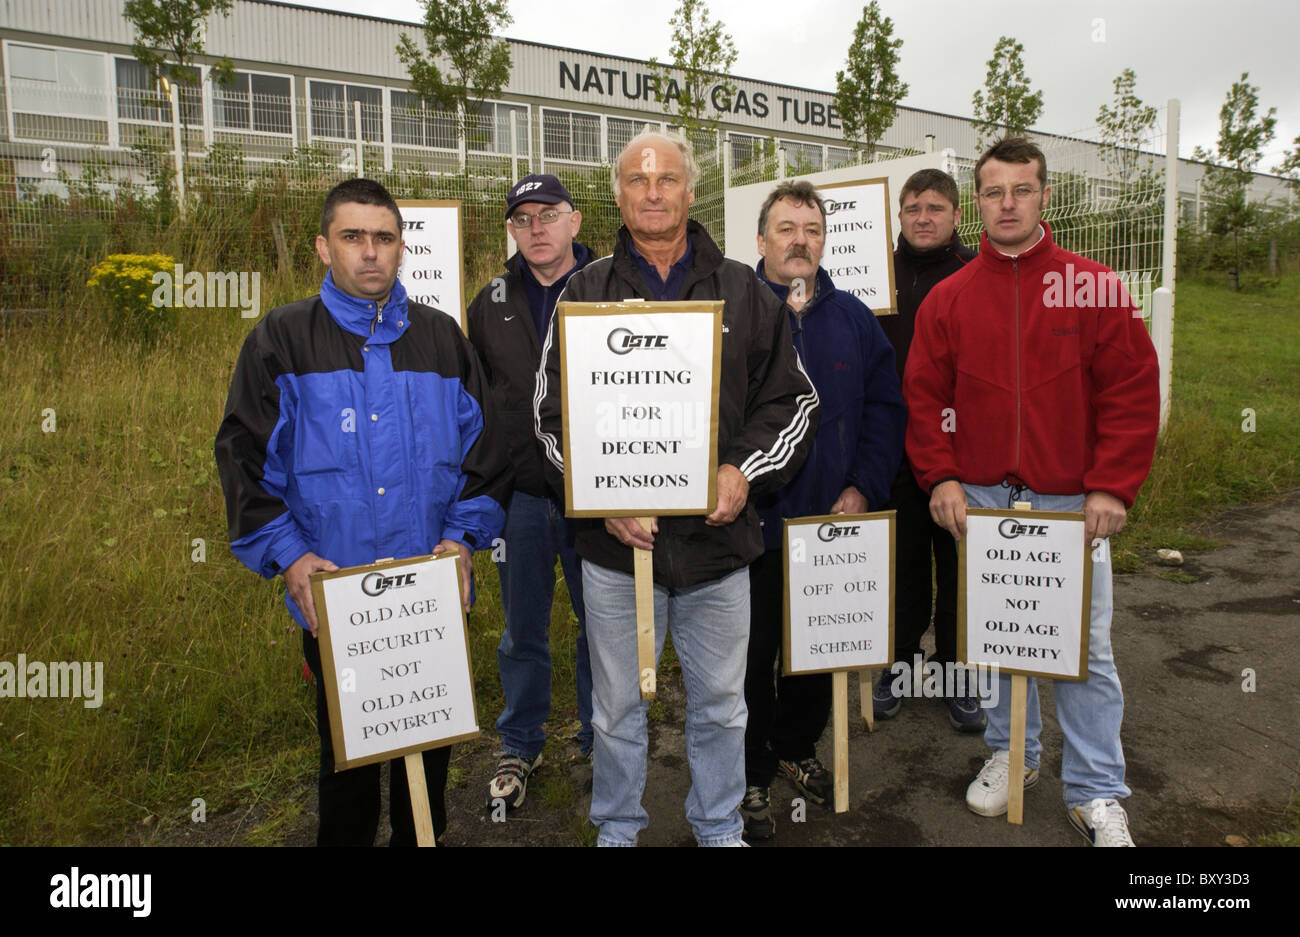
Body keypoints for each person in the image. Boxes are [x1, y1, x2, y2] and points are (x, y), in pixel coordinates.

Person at [534, 131, 819, 847]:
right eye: (637, 178)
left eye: (667, 178)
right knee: (616, 708)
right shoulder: (586, 290)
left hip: (719, 551)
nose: (652, 190)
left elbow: (791, 403)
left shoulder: (747, 292)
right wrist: (605, 495)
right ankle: (618, 827)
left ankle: (719, 826)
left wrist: (740, 470)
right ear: (619, 194)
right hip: (613, 552)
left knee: (722, 705)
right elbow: (548, 414)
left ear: (692, 192)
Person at [215, 177, 509, 846]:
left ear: (402, 247)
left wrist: (463, 539)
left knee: (427, 774)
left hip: (428, 600)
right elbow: (243, 458)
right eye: (353, 237)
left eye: (383, 237)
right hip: (335, 601)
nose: (370, 252)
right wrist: (288, 553)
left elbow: (487, 454)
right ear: (324, 246)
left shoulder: (442, 340)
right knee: (346, 775)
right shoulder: (280, 340)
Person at [904, 136, 1159, 846]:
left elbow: (1132, 393)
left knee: (1085, 648)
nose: (1008, 203)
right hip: (983, 500)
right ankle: (1013, 754)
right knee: (998, 638)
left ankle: (1097, 789)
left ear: (1046, 195)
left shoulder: (1094, 286)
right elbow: (924, 398)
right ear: (977, 202)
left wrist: (1112, 485)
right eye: (994, 191)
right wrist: (943, 474)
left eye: (1022, 189)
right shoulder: (950, 298)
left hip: (1073, 503)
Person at [741, 180, 905, 840]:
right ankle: (748, 773)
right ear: (761, 240)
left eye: (810, 228)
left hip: (831, 526)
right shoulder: (733, 312)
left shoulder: (856, 320)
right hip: (752, 527)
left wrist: (863, 486)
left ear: (824, 239)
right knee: (751, 658)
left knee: (816, 653)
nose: (799, 239)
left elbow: (885, 411)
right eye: (786, 228)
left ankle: (794, 744)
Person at [467, 174, 595, 810]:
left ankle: (604, 738)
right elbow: (476, 402)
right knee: (522, 629)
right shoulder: (488, 302)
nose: (536, 228)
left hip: (597, 494)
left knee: (601, 623)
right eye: (523, 219)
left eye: (549, 215)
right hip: (521, 496)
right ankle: (521, 739)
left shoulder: (612, 286)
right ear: (512, 231)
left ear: (575, 220)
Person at [874, 168, 981, 729]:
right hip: (896, 447)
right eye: (912, 207)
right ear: (898, 216)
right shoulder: (875, 275)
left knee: (960, 564)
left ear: (957, 216)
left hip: (962, 452)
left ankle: (958, 670)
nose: (922, 217)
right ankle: (902, 660)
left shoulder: (973, 275)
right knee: (905, 563)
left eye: (935, 208)